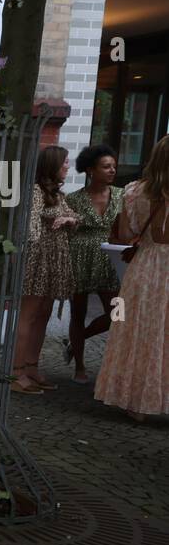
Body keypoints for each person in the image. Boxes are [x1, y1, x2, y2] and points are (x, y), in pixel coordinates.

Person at [95, 134, 169, 419]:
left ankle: (134, 402)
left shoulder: (134, 192)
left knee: (135, 331)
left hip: (144, 267)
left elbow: (126, 235)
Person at [10, 146, 78, 394]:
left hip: (52, 260)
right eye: (65, 162)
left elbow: (72, 217)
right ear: (52, 165)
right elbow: (30, 225)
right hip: (37, 259)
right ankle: (15, 372)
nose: (67, 166)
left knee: (43, 313)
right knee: (28, 314)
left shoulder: (58, 195)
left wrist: (68, 219)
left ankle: (31, 366)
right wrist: (60, 217)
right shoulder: (35, 191)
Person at [65, 144, 124, 383]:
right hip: (79, 258)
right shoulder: (74, 199)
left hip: (110, 259)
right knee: (77, 313)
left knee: (118, 314)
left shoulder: (123, 195)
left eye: (114, 167)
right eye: (106, 166)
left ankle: (77, 341)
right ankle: (79, 365)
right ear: (91, 170)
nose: (112, 171)